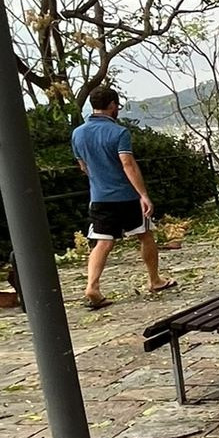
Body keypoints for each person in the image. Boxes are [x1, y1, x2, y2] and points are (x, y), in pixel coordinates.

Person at [71, 87, 175, 309]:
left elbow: (83, 166)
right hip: (126, 197)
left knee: (103, 242)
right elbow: (127, 164)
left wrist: (99, 179)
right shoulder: (119, 133)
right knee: (145, 236)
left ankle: (93, 286)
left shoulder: (78, 133)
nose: (117, 109)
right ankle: (155, 280)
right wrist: (143, 194)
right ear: (111, 105)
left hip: (99, 197)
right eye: (116, 105)